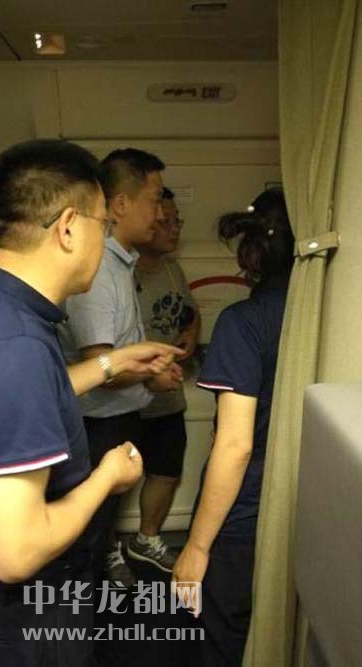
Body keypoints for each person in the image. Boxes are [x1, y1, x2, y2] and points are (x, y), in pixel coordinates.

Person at [0, 139, 182, 667]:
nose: (105, 240)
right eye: (102, 225)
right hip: (28, 620)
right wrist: (108, 477)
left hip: (3, 610)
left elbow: (28, 395)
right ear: (68, 228)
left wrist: (113, 363)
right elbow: (16, 553)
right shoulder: (14, 346)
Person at [173, 188, 294, 666]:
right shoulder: (325, 316)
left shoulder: (244, 322)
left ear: (251, 253)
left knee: (223, 634)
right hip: (304, 504)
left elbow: (235, 445)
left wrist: (197, 546)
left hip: (245, 514)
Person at [59, 149, 183, 587]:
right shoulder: (99, 273)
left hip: (119, 416)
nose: (161, 212)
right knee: (89, 532)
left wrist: (152, 372)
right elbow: (99, 364)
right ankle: (83, 615)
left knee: (100, 521)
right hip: (99, 423)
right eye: (154, 198)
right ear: (121, 204)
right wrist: (151, 374)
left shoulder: (120, 263)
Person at [127, 187, 200, 572]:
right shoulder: (119, 273)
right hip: (126, 398)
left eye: (177, 221)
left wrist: (190, 336)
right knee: (112, 480)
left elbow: (189, 313)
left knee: (167, 470)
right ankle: (107, 550)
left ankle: (147, 539)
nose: (173, 228)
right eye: (164, 220)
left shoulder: (172, 269)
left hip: (168, 395)